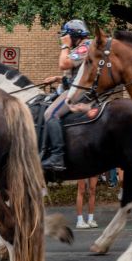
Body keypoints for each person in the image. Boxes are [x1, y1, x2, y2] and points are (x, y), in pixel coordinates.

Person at [41, 19, 91, 171]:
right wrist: (57, 78)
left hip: (79, 92)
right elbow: (74, 73)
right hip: (70, 87)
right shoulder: (81, 47)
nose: (63, 38)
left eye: (66, 35)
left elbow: (64, 64)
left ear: (73, 35)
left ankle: (57, 156)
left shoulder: (86, 47)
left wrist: (65, 45)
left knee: (51, 114)